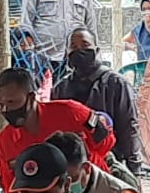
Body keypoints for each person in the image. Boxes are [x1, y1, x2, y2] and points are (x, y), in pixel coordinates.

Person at [0, 67, 114, 193]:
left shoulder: (71, 112)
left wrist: (80, 156)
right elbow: (12, 191)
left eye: (12, 102)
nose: (5, 110)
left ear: (32, 97)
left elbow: (106, 143)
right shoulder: (6, 141)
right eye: (1, 104)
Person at [53, 27, 143, 177]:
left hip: (108, 165)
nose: (79, 50)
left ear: (96, 49)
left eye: (85, 45)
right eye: (73, 47)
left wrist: (134, 168)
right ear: (67, 54)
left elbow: (129, 127)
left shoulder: (116, 84)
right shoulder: (60, 89)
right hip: (72, 169)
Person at [124, 0, 150, 64]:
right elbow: (123, 42)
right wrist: (134, 48)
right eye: (144, 9)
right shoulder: (139, 29)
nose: (147, 13)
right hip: (143, 67)